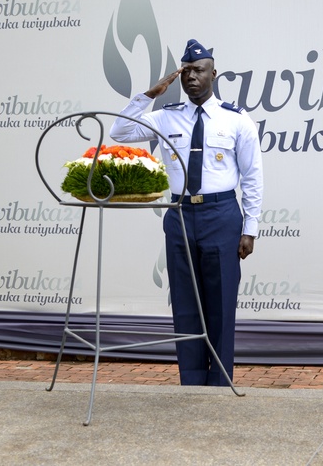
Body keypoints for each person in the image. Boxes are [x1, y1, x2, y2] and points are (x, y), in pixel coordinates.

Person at [109, 39, 264, 386]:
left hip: (221, 213)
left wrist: (249, 228)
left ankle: (220, 382)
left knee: (221, 304)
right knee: (185, 302)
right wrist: (150, 94)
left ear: (214, 74)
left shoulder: (235, 120)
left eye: (199, 70)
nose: (192, 77)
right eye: (187, 71)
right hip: (179, 215)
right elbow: (118, 131)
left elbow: (253, 176)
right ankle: (191, 384)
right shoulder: (166, 117)